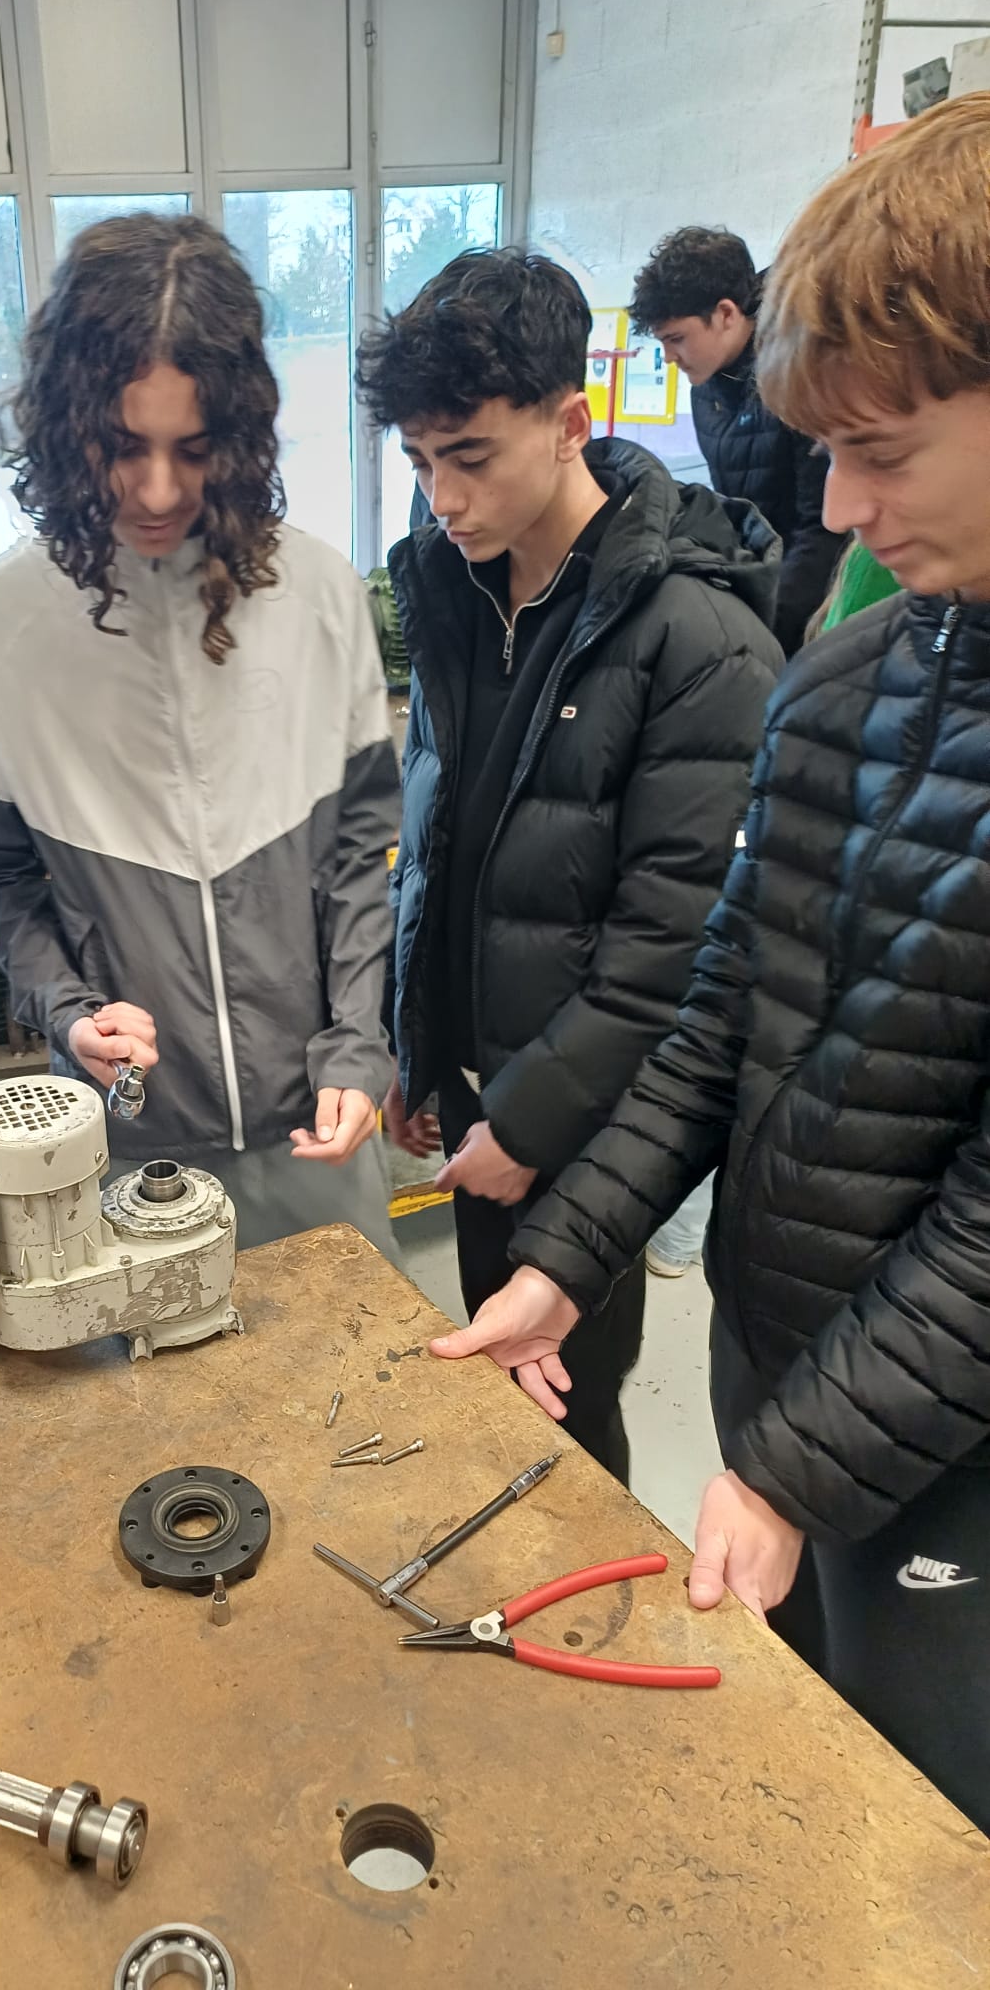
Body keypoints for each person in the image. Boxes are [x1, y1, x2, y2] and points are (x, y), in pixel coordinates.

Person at [448, 94, 990, 1831]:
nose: (836, 504)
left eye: (882, 450)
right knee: (803, 1789)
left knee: (924, 1830)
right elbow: (717, 1024)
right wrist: (568, 1257)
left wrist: (790, 1469)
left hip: (952, 1459)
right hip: (787, 1370)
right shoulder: (845, 681)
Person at [356, 248, 782, 1482]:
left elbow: (677, 947)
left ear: (570, 422)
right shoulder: (454, 591)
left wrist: (535, 1118)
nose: (443, 497)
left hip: (593, 1121)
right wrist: (416, 1035)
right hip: (477, 1092)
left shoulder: (699, 642)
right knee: (500, 1403)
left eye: (470, 456)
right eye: (419, 462)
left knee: (571, 1428)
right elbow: (442, 850)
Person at [0, 215, 400, 1255]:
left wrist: (358, 1042)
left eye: (192, 450)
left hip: (317, 1135)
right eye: (120, 447)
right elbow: (2, 882)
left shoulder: (320, 595)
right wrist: (68, 1013)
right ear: (65, 428)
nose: (156, 491)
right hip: (125, 1148)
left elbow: (360, 858)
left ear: (242, 436)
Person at [629, 225, 845, 654]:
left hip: (813, 610)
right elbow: (735, 513)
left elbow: (821, 532)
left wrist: (761, 633)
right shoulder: (705, 385)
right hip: (761, 581)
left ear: (726, 314)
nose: (669, 358)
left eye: (676, 339)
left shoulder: (796, 373)